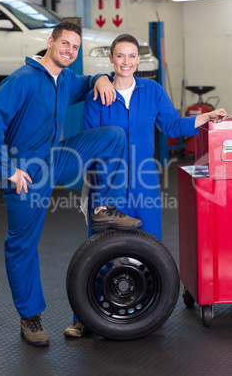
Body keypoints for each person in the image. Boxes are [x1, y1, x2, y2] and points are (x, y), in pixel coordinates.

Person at [0, 23, 143, 348]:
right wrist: (8, 169)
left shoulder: (66, 79)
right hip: (25, 174)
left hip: (55, 158)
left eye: (75, 47)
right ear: (50, 42)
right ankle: (30, 317)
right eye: (65, 43)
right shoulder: (23, 79)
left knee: (112, 136)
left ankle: (101, 208)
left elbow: (86, 83)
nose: (70, 50)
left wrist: (99, 78)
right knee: (22, 246)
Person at [63, 33, 227, 337]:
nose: (126, 62)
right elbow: (91, 141)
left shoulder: (152, 91)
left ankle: (150, 312)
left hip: (144, 182)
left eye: (131, 56)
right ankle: (83, 317)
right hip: (108, 182)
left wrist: (206, 117)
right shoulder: (96, 95)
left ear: (138, 60)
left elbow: (172, 126)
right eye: (120, 56)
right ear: (111, 59)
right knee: (97, 250)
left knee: (151, 248)